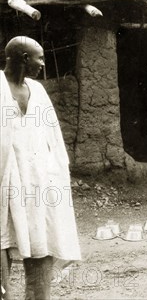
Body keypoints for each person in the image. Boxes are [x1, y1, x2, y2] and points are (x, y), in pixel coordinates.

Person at [1, 36, 81, 299]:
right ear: (25, 58)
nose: (43, 64)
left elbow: (54, 139)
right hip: (4, 183)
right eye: (40, 58)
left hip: (36, 185)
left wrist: (55, 176)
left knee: (40, 242)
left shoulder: (39, 91)